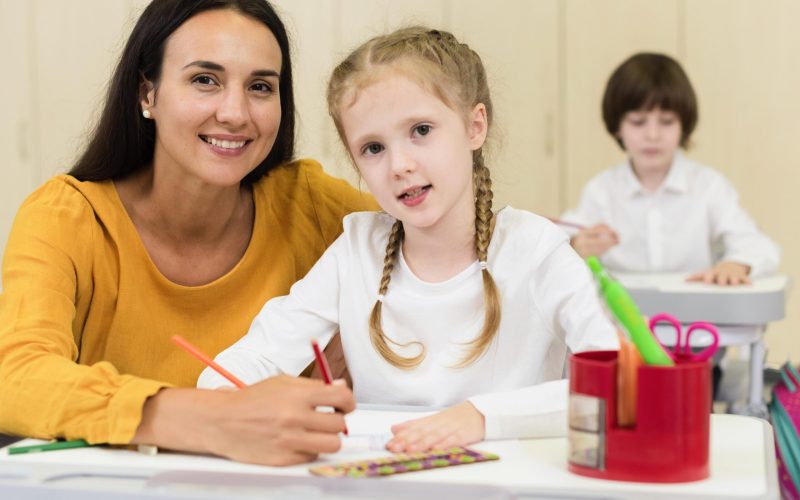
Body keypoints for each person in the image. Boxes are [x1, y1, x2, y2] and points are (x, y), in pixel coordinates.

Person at [198, 27, 618, 453]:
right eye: (373, 148)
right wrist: (223, 402)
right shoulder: (355, 251)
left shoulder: (538, 250)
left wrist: (480, 417)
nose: (399, 165)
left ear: (475, 127)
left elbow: (616, 380)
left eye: (420, 130)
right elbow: (255, 357)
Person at [0, 0, 379, 466]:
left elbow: (454, 244)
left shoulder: (316, 207)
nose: (236, 113)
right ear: (147, 94)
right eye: (205, 80)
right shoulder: (68, 217)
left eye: (261, 87)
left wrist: (374, 339)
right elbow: (15, 376)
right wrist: (215, 419)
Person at [563, 52, 780, 286]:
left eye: (666, 121)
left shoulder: (709, 186)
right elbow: (556, 242)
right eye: (638, 122)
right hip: (620, 318)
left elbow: (758, 246)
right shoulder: (601, 191)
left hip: (696, 316)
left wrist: (737, 263)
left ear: (683, 125)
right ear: (617, 127)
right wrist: (575, 245)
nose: (653, 135)